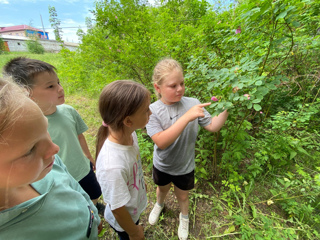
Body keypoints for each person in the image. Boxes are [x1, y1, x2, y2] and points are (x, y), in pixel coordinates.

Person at [0, 77, 101, 239]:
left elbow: (75, 187)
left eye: (45, 130)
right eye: (30, 149)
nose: (54, 149)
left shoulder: (50, 164)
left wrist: (92, 214)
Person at [146, 58, 229, 240]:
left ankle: (184, 217)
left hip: (185, 166)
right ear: (158, 87)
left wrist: (229, 105)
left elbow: (213, 126)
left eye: (182, 83)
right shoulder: (152, 110)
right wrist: (186, 117)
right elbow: (161, 142)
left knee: (183, 196)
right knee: (162, 189)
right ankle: (159, 204)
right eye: (173, 85)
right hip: (163, 165)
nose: (180, 89)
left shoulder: (192, 103)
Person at [95, 80, 151, 240]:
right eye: (146, 110)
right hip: (125, 222)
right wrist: (133, 232)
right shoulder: (112, 166)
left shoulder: (130, 134)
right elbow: (118, 210)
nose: (151, 113)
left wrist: (140, 183)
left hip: (133, 208)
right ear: (127, 121)